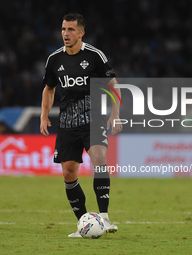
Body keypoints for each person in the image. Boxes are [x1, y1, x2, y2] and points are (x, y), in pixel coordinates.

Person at [40, 13, 122, 237]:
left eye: (71, 30)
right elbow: (49, 89)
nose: (66, 34)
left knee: (99, 158)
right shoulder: (54, 59)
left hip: (93, 120)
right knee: (68, 173)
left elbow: (114, 85)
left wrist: (115, 114)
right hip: (67, 123)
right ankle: (84, 224)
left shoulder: (94, 56)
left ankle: (104, 219)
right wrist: (44, 115)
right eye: (64, 29)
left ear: (81, 33)